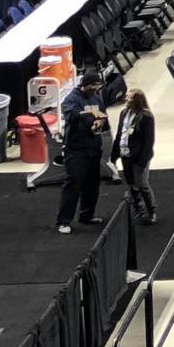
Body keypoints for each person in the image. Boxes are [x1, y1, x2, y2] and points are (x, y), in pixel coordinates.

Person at [55, 81, 107, 234]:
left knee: (92, 184)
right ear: (85, 85)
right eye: (93, 85)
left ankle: (87, 215)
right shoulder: (72, 99)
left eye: (98, 86)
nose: (96, 89)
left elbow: (103, 115)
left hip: (93, 147)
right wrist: (90, 113)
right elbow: (71, 115)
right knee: (73, 185)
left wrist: (99, 122)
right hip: (76, 150)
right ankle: (63, 221)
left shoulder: (96, 98)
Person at [112, 88, 158, 227]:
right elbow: (120, 134)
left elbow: (149, 141)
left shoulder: (146, 117)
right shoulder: (123, 113)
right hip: (126, 154)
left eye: (130, 98)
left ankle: (152, 211)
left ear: (137, 100)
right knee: (131, 183)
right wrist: (114, 154)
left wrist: (143, 160)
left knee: (142, 184)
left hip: (139, 156)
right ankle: (138, 207)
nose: (126, 100)